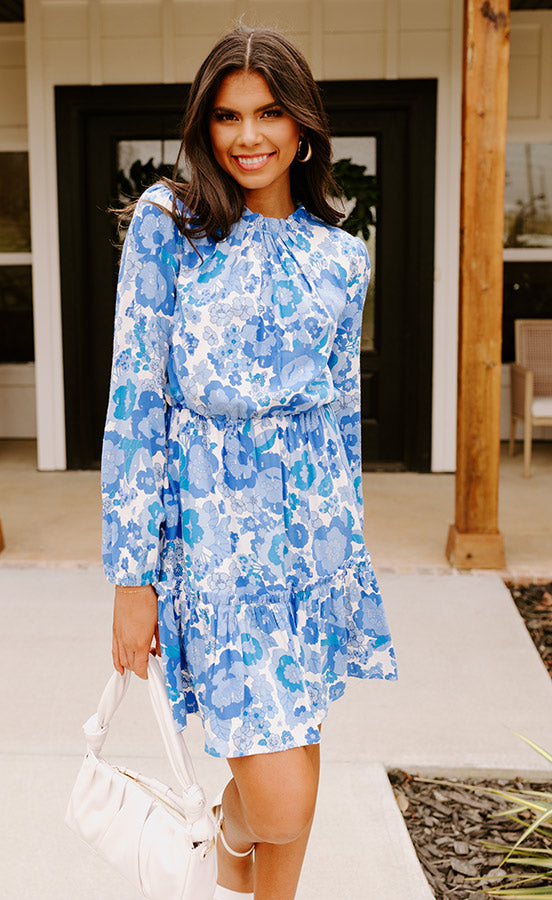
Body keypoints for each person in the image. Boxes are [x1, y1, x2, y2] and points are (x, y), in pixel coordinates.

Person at [102, 25, 398, 900]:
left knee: (294, 805)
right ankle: (227, 834)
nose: (248, 136)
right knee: (275, 806)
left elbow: (341, 415)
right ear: (206, 127)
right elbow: (133, 407)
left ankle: (239, 874)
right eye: (228, 116)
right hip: (218, 551)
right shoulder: (169, 226)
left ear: (303, 127)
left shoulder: (344, 258)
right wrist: (133, 576)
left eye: (269, 112)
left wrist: (349, 560)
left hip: (314, 550)